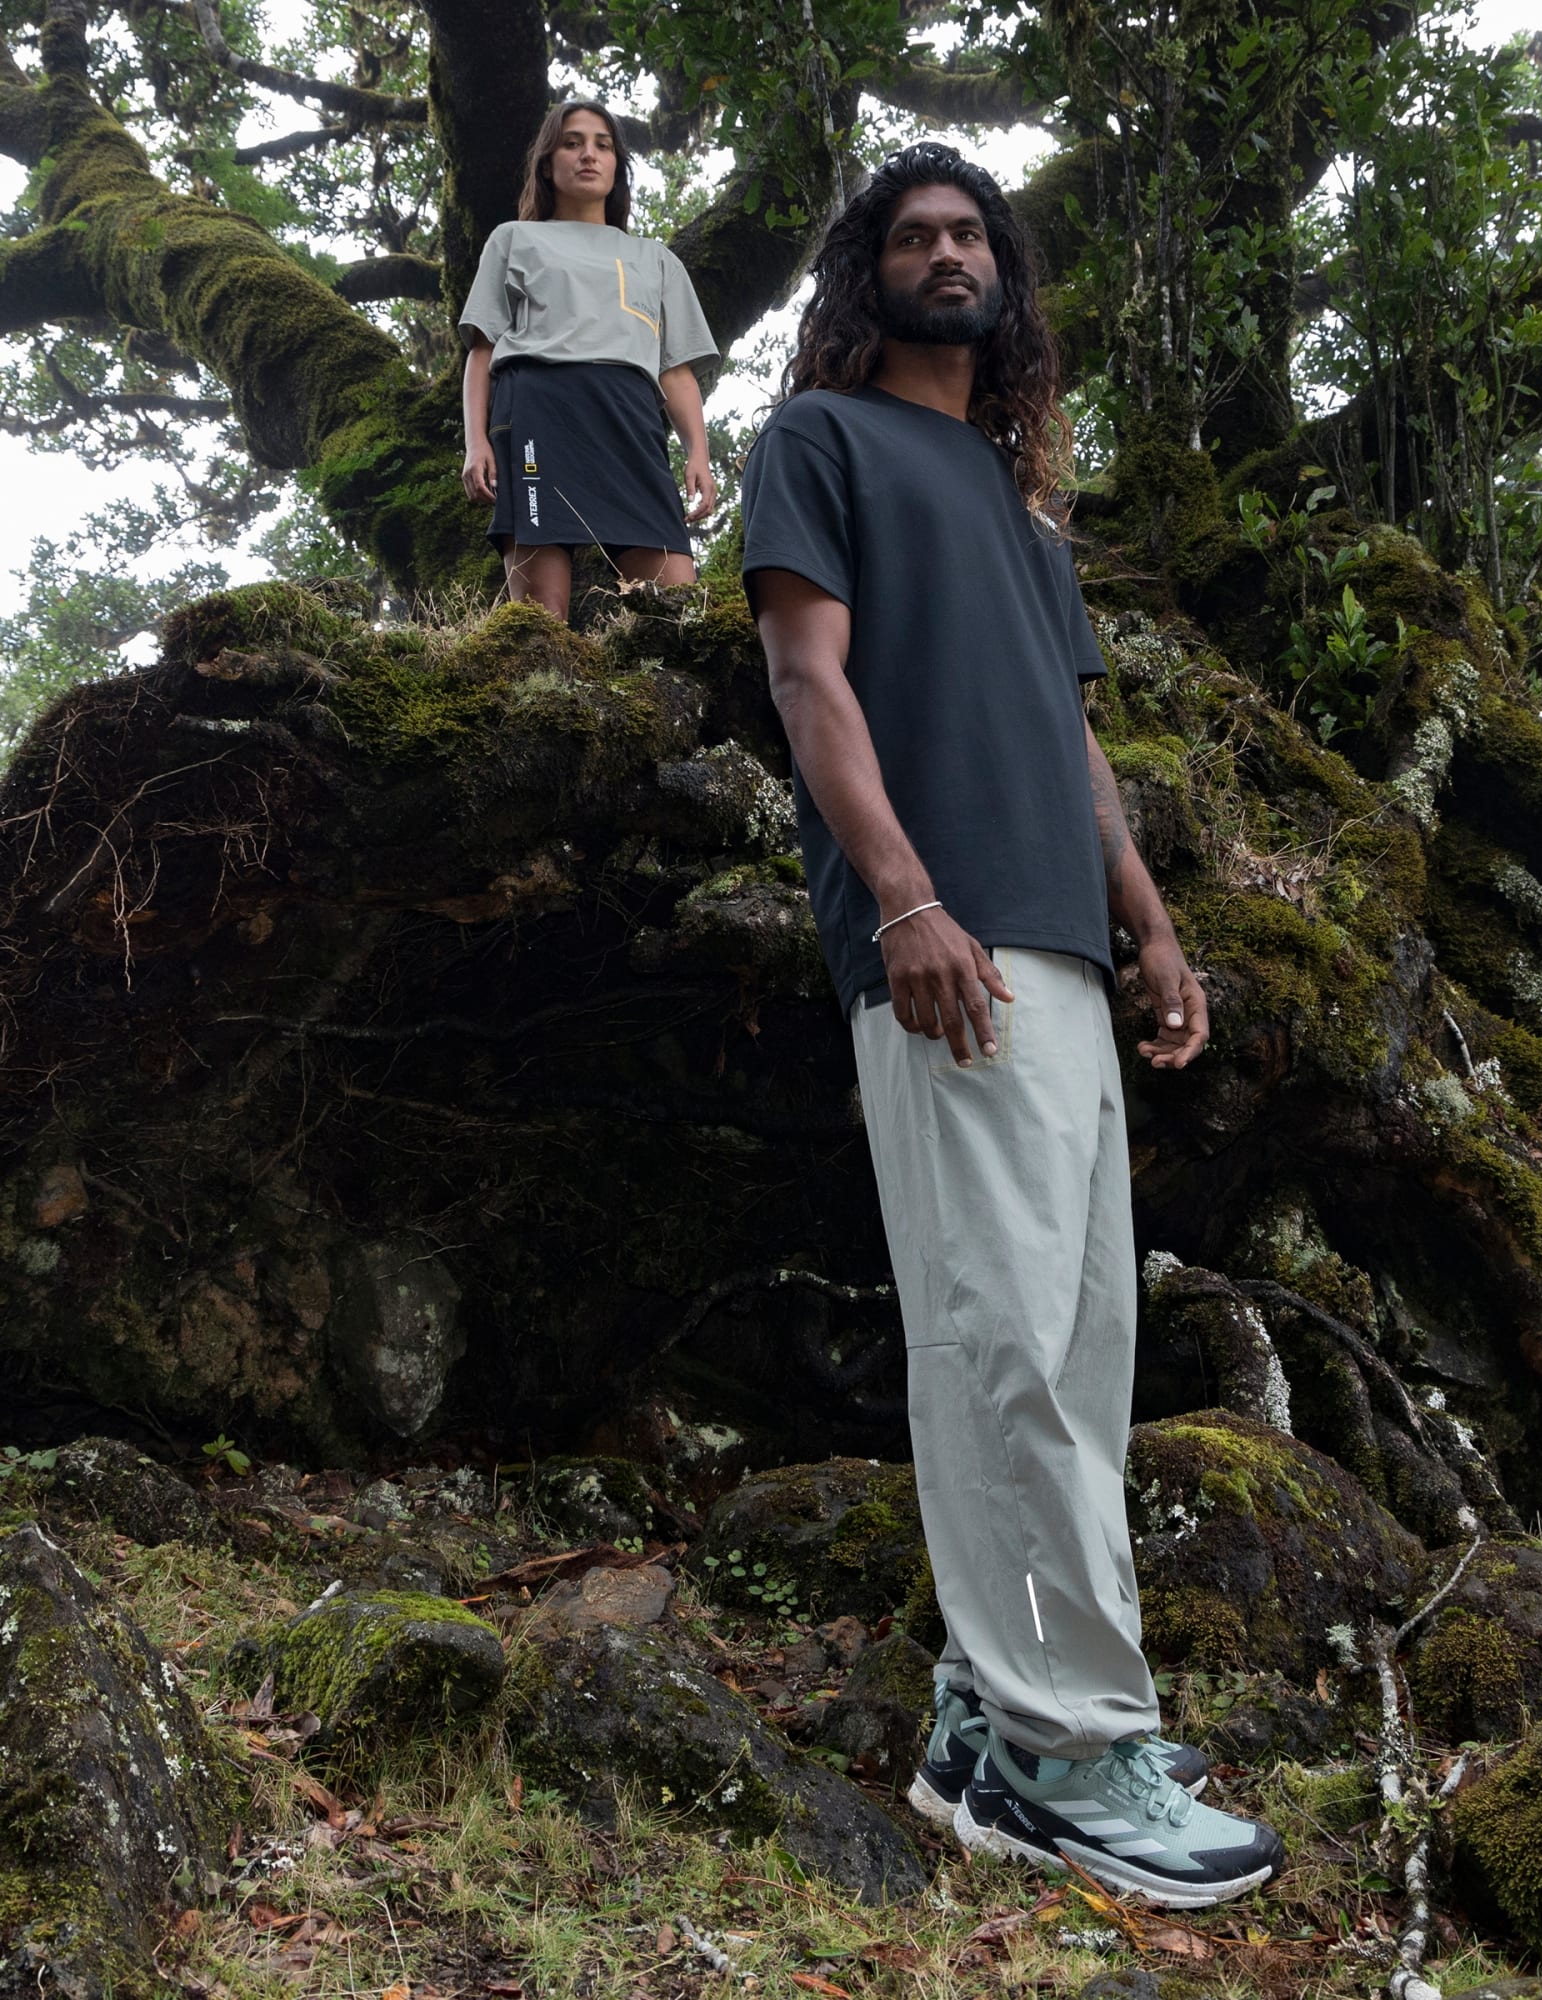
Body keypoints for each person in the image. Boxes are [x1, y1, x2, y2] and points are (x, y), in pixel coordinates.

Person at [740, 142, 1284, 1910]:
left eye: (970, 232)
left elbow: (1074, 740)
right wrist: (903, 898)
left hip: (1059, 947)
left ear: (1007, 276)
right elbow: (808, 676)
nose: (946, 252)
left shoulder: (1020, 503)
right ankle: (1068, 1752)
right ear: (870, 276)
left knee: (1083, 1341)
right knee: (1008, 1342)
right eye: (913, 236)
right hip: (942, 942)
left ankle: (990, 1724)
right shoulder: (821, 442)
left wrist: (1155, 926)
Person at [459, 98, 717, 619]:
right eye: (572, 143)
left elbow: (675, 369)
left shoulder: (656, 259)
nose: (588, 155)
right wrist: (475, 441)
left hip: (630, 417)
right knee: (540, 619)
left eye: (602, 145)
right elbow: (482, 349)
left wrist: (698, 453)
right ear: (546, 164)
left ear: (617, 165)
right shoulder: (514, 239)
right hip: (538, 410)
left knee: (677, 610)